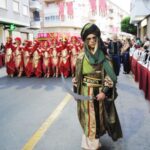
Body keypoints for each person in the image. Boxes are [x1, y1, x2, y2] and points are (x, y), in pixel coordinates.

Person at [72, 23, 122, 150]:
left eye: (94, 38)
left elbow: (110, 77)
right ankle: (89, 143)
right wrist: (75, 84)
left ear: (98, 39)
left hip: (98, 94)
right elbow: (78, 76)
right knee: (86, 118)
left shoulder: (104, 57)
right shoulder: (81, 57)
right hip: (84, 93)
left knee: (96, 120)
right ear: (85, 41)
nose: (92, 41)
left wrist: (104, 92)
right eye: (88, 39)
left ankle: (93, 145)